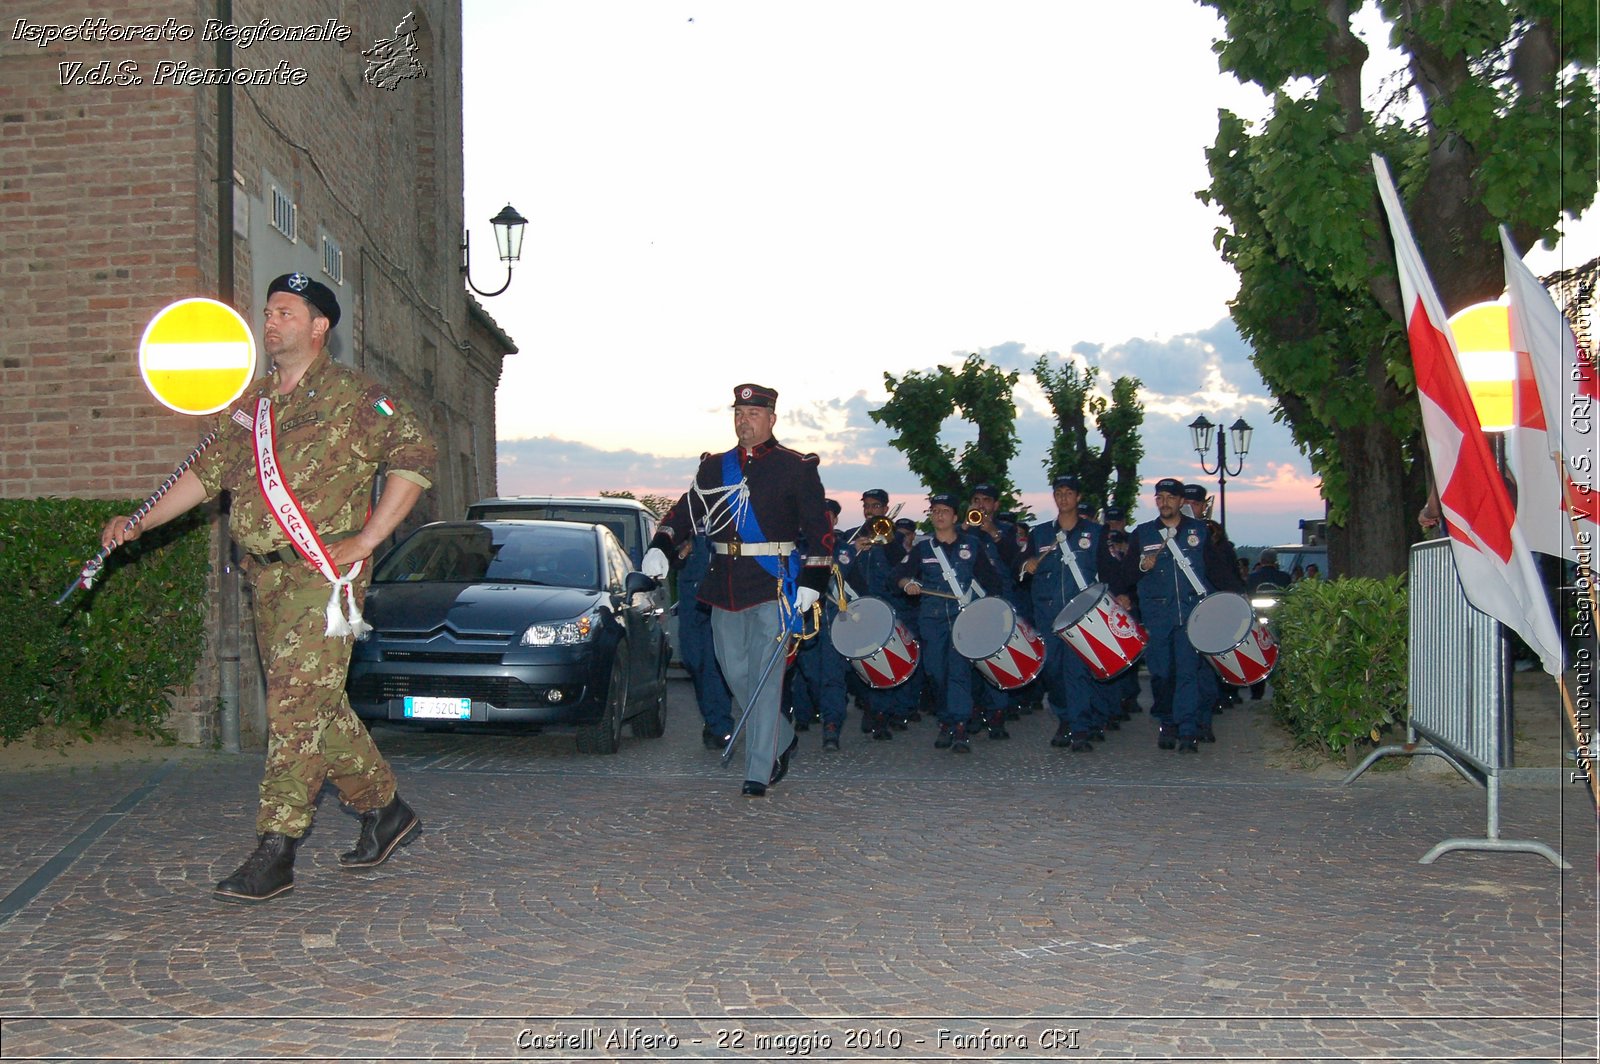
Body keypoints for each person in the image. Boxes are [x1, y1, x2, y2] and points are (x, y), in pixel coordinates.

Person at [97, 272, 435, 903]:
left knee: (291, 710)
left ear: (318, 327)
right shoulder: (250, 408)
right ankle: (386, 812)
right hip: (267, 578)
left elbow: (416, 458)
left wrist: (367, 541)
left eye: (285, 312)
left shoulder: (360, 397)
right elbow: (204, 477)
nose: (270, 322)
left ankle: (277, 848)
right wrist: (139, 523)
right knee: (313, 704)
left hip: (325, 579)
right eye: (269, 312)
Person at [644, 383, 831, 798]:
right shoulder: (715, 467)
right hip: (724, 585)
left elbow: (821, 531)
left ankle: (757, 772)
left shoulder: (796, 466)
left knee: (764, 681)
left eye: (752, 414)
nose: (743, 421)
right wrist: (662, 544)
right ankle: (783, 738)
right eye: (738, 414)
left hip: (773, 582)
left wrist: (814, 582)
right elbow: (686, 511)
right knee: (736, 675)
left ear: (771, 419)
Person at [1112, 478, 1243, 754]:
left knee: (1187, 672)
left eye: (1171, 497)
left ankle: (1186, 729)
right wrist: (1140, 568)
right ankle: (1167, 720)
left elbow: (1216, 570)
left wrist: (1238, 594)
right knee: (1161, 673)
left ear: (1181, 501)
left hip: (1193, 613)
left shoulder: (1200, 532)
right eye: (1160, 497)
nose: (1165, 502)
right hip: (1158, 614)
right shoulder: (1144, 534)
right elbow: (1125, 577)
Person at [892, 493, 1002, 753]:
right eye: (934, 511)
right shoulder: (923, 549)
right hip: (932, 620)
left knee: (959, 672)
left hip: (964, 619)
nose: (939, 515)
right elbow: (897, 576)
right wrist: (907, 584)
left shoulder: (973, 546)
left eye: (944, 511)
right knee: (936, 672)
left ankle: (959, 726)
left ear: (955, 516)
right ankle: (946, 718)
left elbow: (993, 582)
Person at [1019, 474, 1120, 751]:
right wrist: (1027, 564)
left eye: (1068, 493)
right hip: (1047, 611)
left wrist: (1120, 594)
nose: (1063, 498)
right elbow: (1022, 563)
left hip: (1080, 614)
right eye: (1058, 493)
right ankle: (1064, 716)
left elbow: (1108, 569)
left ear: (1077, 498)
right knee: (1052, 671)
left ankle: (1079, 727)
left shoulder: (1096, 533)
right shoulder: (1040, 533)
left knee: (1076, 671)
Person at [789, 499, 849, 750]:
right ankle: (825, 709)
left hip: (836, 620)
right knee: (813, 675)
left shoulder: (847, 550)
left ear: (834, 521)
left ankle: (832, 725)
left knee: (833, 676)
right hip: (806, 624)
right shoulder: (796, 549)